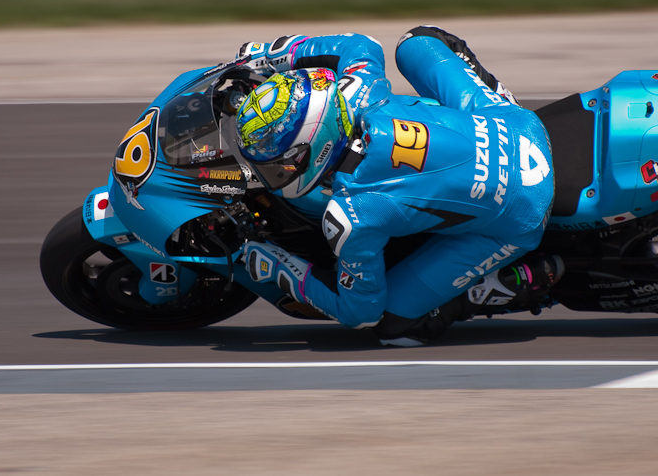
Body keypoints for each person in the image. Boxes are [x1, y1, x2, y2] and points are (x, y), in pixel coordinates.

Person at [234, 26, 560, 345]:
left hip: (524, 212)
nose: (272, 170)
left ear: (316, 146)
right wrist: (268, 54)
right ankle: (496, 97)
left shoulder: (353, 213)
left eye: (277, 160)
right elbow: (361, 44)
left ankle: (492, 287)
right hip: (518, 125)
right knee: (418, 40)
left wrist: (281, 268)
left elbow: (361, 313)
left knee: (394, 325)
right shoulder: (363, 89)